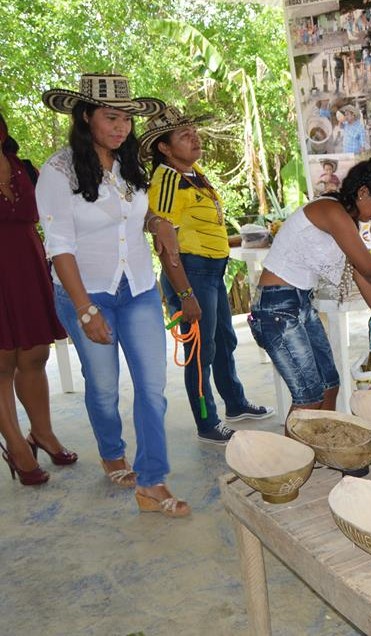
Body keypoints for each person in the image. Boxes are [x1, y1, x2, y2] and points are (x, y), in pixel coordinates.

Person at [37, 73, 189, 517]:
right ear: (87, 117)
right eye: (111, 117)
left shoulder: (130, 165)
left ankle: (152, 481)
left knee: (153, 388)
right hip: (86, 293)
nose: (121, 126)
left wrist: (155, 223)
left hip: (138, 287)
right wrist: (85, 310)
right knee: (103, 388)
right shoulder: (58, 171)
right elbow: (59, 245)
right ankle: (110, 451)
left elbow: (130, 217)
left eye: (126, 118)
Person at [139, 107, 274, 445]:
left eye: (194, 132)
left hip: (212, 269)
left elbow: (202, 227)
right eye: (184, 136)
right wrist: (185, 295)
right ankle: (206, 421)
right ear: (164, 148)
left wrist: (245, 239)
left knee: (225, 341)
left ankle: (235, 403)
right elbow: (164, 242)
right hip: (191, 272)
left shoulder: (193, 172)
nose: (195, 138)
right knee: (201, 351)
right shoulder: (167, 181)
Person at [249, 158, 371, 414]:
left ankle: (323, 450)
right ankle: (295, 454)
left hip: (299, 302)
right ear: (362, 192)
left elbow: (362, 276)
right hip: (275, 307)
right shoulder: (332, 211)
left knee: (330, 385)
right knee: (308, 398)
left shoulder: (347, 221)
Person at [0, 113, 76, 486]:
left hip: (27, 266)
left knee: (35, 353)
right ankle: (16, 446)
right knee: (1, 360)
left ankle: (41, 433)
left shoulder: (24, 167)